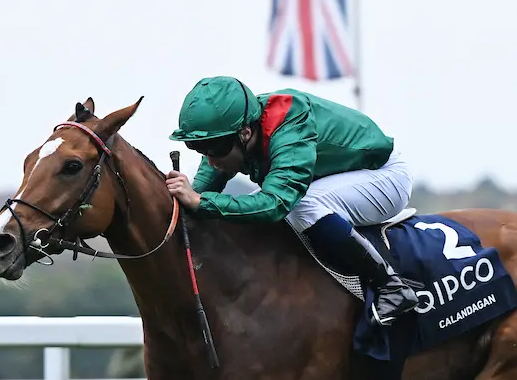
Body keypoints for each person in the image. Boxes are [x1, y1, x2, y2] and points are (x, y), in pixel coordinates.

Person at [165, 75, 418, 327]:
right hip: (340, 177)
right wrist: (189, 200)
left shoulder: (289, 124)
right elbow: (198, 196)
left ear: (245, 133)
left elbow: (276, 203)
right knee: (243, 211)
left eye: (215, 148)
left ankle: (391, 286)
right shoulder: (235, 129)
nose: (210, 160)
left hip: (384, 177)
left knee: (301, 206)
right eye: (199, 148)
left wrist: (202, 202)